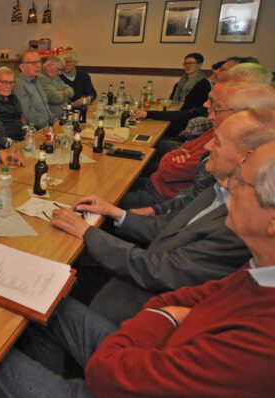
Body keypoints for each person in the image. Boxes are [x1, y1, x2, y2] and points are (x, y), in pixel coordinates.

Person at [0, 140, 275, 398]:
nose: (230, 189)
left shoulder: (262, 343)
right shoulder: (257, 271)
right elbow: (177, 298)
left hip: (124, 372)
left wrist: (166, 317)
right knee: (41, 306)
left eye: (242, 185)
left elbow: (108, 372)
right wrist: (168, 316)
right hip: (146, 351)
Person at [53, 109, 275, 323]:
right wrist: (115, 212)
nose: (207, 145)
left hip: (140, 303)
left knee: (51, 298)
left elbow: (157, 270)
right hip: (141, 273)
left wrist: (87, 232)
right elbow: (170, 226)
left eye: (216, 141)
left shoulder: (239, 223)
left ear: (245, 157)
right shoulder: (220, 189)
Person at [120, 82, 275, 209]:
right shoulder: (219, 130)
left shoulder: (234, 146)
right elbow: (182, 150)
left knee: (112, 187)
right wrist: (176, 154)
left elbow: (170, 171)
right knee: (123, 172)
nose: (207, 106)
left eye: (217, 105)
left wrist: (174, 156)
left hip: (163, 196)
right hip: (160, 186)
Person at [136, 53, 212, 137]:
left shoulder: (203, 84)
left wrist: (152, 114)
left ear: (199, 65)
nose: (187, 66)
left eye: (191, 63)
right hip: (176, 115)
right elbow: (171, 101)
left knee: (151, 127)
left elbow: (193, 110)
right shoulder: (180, 83)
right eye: (185, 64)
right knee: (147, 122)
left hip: (186, 120)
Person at [13, 50, 53, 129]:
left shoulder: (37, 80)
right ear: (22, 67)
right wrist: (44, 128)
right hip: (37, 130)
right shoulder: (19, 85)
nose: (38, 66)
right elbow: (27, 115)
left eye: (39, 62)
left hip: (49, 125)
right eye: (33, 63)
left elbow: (44, 106)